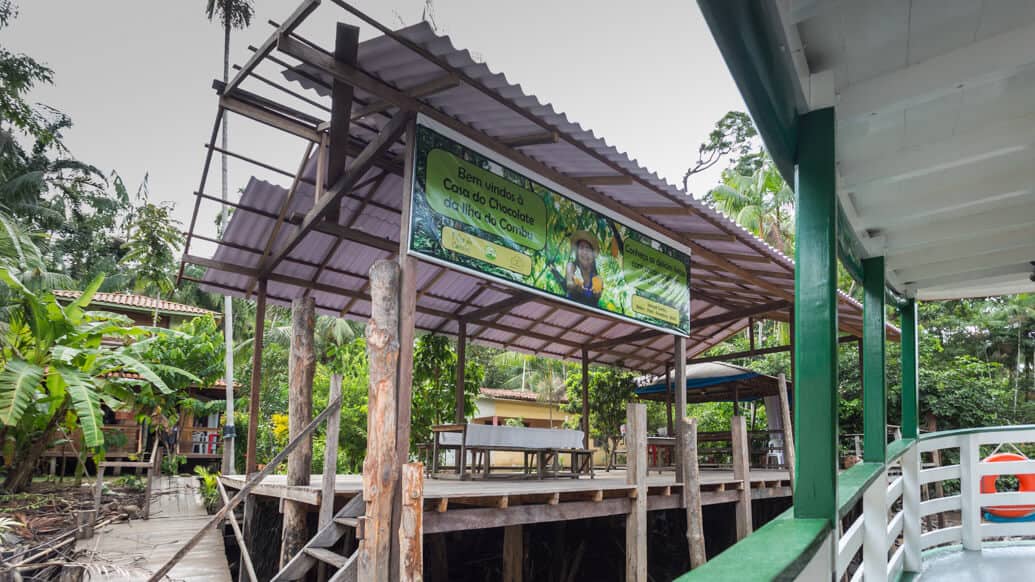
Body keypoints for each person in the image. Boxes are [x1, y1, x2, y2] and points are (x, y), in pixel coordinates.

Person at [565, 230, 603, 306]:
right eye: (581, 248)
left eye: (588, 249)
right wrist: (575, 286)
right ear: (577, 252)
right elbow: (569, 283)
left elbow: (597, 297)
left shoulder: (597, 279)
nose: (585, 253)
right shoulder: (571, 266)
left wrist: (597, 294)